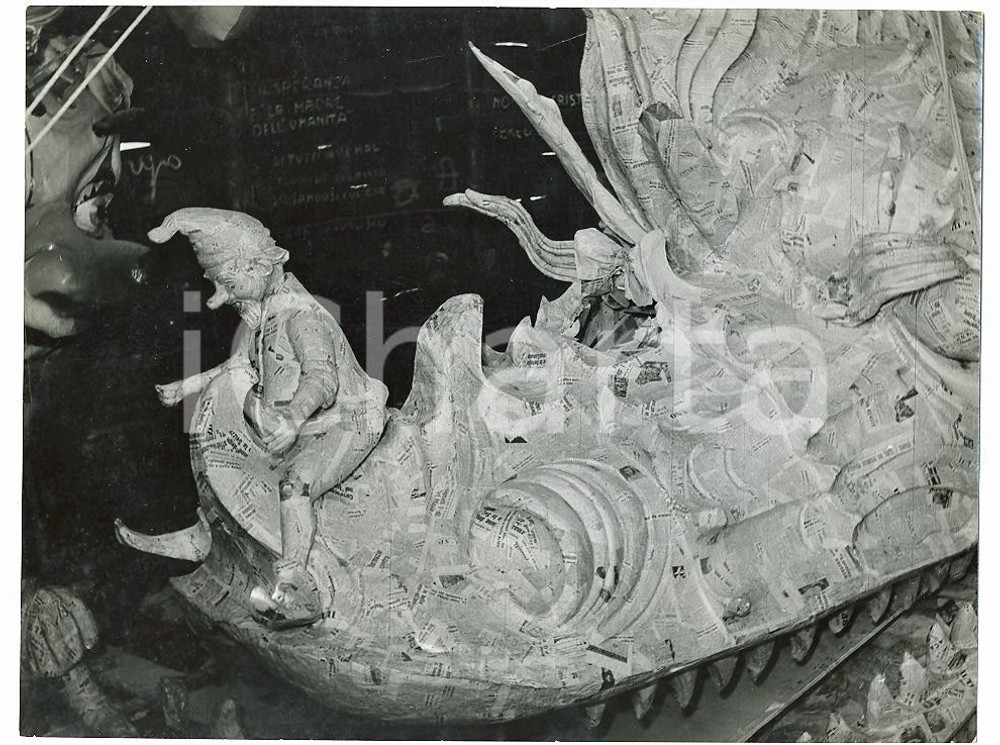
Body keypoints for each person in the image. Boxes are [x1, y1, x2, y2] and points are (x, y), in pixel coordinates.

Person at [150, 207, 388, 628]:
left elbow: (322, 380)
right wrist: (184, 388)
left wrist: (294, 418)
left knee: (293, 484)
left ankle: (297, 586)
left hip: (347, 422)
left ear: (259, 266)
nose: (224, 295)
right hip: (303, 426)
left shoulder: (301, 317)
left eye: (229, 283)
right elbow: (238, 368)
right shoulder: (263, 316)